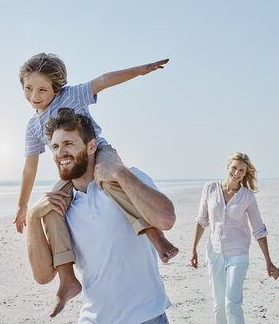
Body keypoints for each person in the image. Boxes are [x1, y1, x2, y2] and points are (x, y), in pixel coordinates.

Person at [14, 53, 178, 316]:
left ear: (56, 88)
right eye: (28, 88)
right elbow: (29, 167)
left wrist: (140, 69)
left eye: (42, 89)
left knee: (108, 177)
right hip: (71, 172)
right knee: (51, 206)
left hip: (100, 153)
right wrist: (25, 207)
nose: (35, 95)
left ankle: (155, 236)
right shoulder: (33, 126)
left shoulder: (71, 95)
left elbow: (103, 80)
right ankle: (67, 279)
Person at [26, 108, 174, 323]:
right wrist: (32, 217)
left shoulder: (128, 180)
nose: (60, 152)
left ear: (92, 146)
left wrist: (119, 172)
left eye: (69, 144)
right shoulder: (60, 204)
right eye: (56, 147)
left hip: (147, 316)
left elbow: (166, 219)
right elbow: (42, 276)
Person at [190, 152, 278, 324]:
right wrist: (193, 249)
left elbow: (259, 229)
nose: (237, 173)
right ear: (227, 166)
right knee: (218, 305)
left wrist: (268, 260)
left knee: (232, 303)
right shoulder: (210, 188)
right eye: (234, 168)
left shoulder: (247, 197)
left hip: (238, 255)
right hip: (213, 254)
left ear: (245, 173)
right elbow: (201, 220)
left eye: (242, 171)